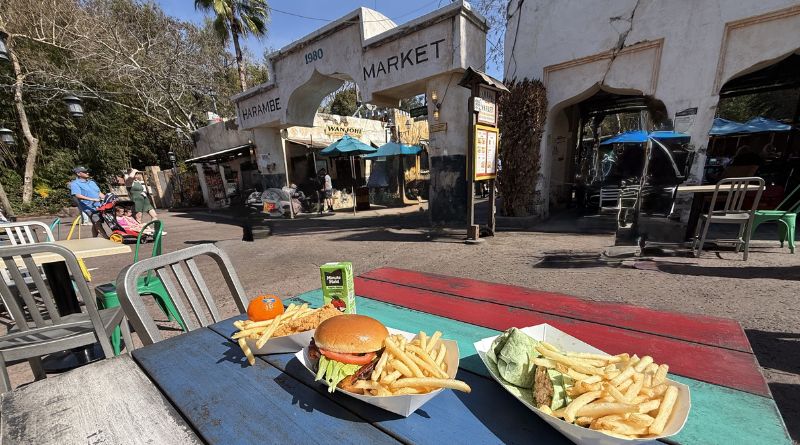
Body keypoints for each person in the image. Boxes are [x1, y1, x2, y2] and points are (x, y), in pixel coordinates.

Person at [69, 166, 105, 237]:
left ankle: (94, 238)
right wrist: (92, 199)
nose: (87, 173)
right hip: (88, 207)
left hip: (99, 205)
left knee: (96, 223)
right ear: (78, 174)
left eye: (87, 172)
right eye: (85, 172)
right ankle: (106, 237)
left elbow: (99, 193)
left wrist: (107, 198)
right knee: (97, 222)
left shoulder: (92, 182)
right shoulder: (75, 184)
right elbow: (77, 195)